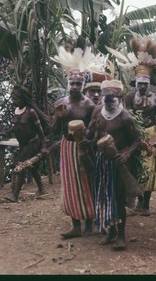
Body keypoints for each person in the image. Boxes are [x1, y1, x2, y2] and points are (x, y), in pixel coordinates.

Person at [87, 79, 142, 251]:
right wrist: (90, 128)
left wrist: (126, 154)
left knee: (117, 198)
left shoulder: (125, 117)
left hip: (118, 161)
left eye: (113, 98)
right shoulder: (97, 111)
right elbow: (90, 135)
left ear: (119, 97)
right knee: (104, 196)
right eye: (106, 98)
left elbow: (138, 140)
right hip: (101, 160)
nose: (109, 101)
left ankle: (121, 236)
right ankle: (109, 231)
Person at [123, 38, 156, 216]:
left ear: (149, 83)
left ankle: (147, 203)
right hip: (134, 134)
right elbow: (127, 118)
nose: (142, 86)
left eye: (145, 83)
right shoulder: (129, 97)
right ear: (135, 82)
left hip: (150, 134)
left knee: (149, 169)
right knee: (135, 166)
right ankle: (137, 200)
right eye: (139, 83)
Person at [51, 69, 97, 239]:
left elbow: (93, 130)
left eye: (79, 83)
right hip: (67, 147)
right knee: (70, 184)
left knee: (86, 182)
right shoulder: (61, 103)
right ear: (67, 84)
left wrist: (89, 143)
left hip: (83, 147)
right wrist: (58, 116)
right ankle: (76, 225)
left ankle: (90, 225)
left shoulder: (89, 105)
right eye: (72, 83)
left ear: (83, 85)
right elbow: (54, 130)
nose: (75, 86)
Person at [4, 85, 47, 202]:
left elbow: (40, 130)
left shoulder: (31, 112)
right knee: (31, 166)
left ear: (24, 99)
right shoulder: (17, 111)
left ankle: (15, 195)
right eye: (12, 98)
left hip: (33, 143)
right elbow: (17, 126)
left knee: (21, 166)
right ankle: (42, 188)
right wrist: (9, 131)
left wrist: (44, 146)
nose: (14, 101)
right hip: (23, 144)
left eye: (16, 99)